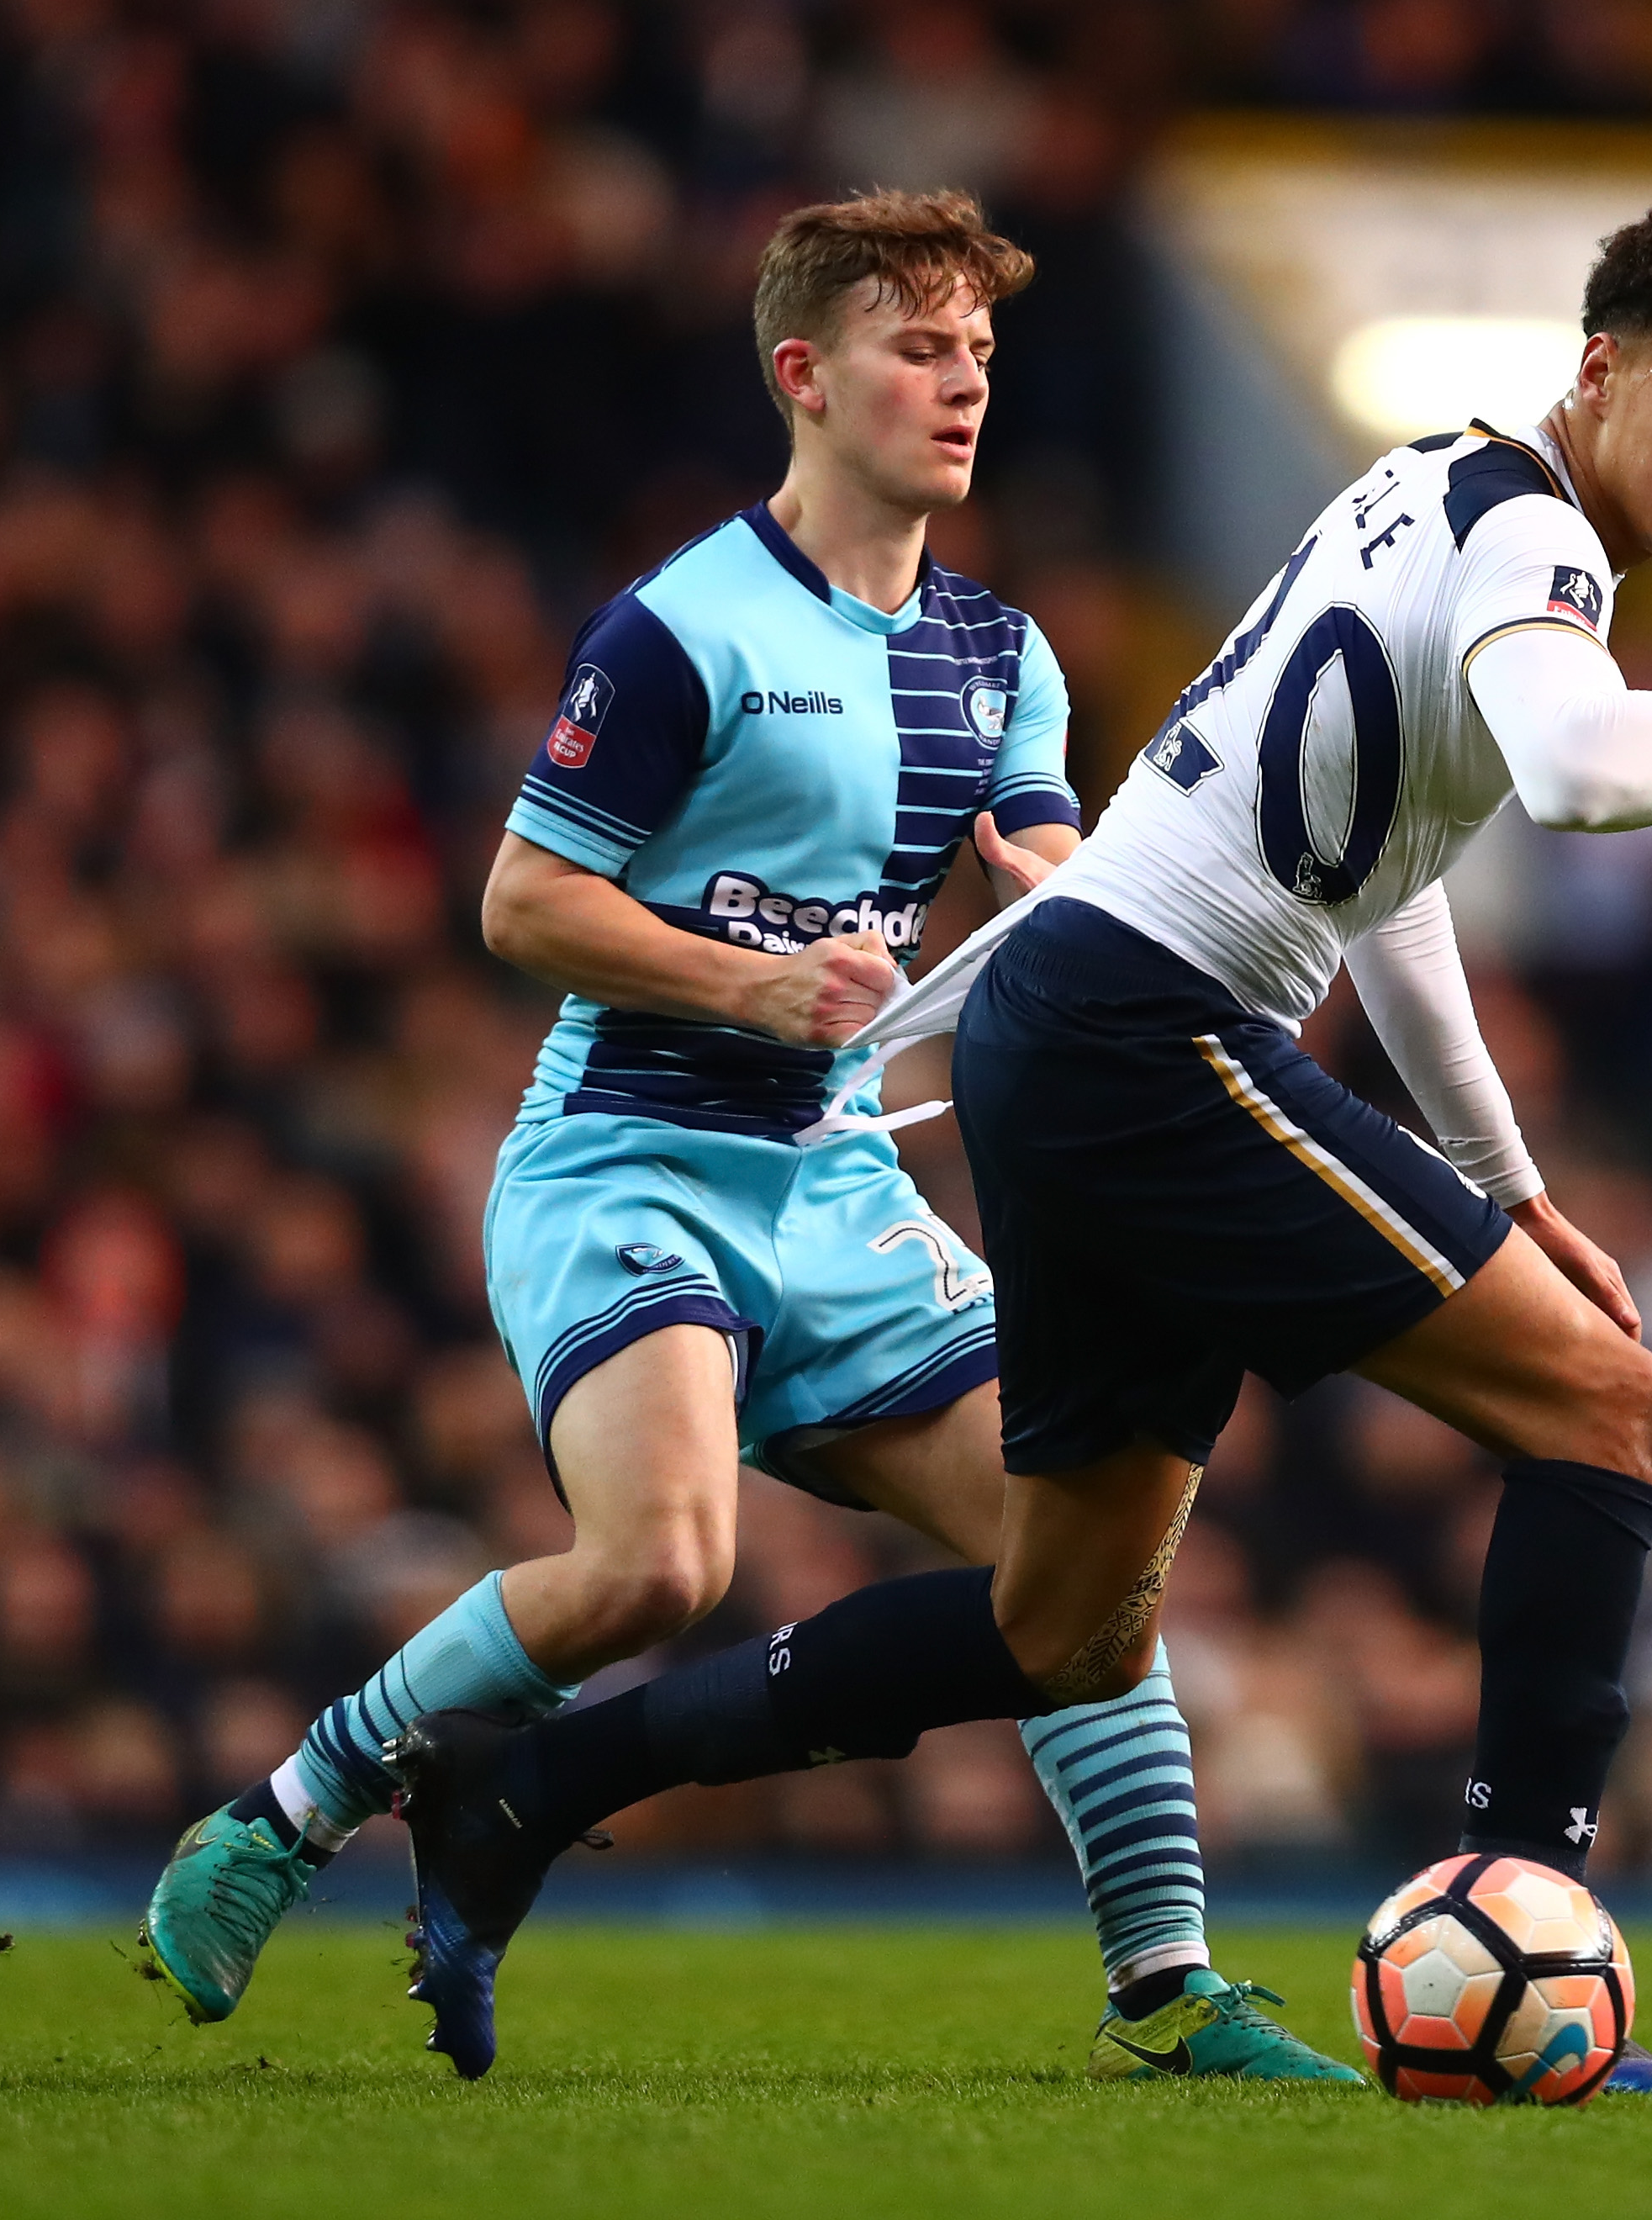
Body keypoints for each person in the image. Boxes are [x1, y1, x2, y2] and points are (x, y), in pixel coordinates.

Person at [390, 190, 1652, 2090]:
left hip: (1088, 1035)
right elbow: (1586, 774)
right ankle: (1528, 1928)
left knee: (1057, 1623)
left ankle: (532, 1790)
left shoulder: (1437, 487)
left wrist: (1511, 1182)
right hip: (1139, 1031)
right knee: (1615, 1413)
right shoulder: (1534, 539)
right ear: (1598, 370)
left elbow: (1392, 873)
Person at [139, 188, 1352, 2087]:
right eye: (915, 350)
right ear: (805, 375)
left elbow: (1033, 865)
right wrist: (748, 979)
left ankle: (1166, 1986)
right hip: (629, 1159)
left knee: (1086, 1569)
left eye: (976, 355)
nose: (960, 389)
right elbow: (523, 905)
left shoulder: (994, 654)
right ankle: (289, 1811)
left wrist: (1159, 915)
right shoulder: (682, 627)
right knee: (660, 1565)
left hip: (837, 1187)